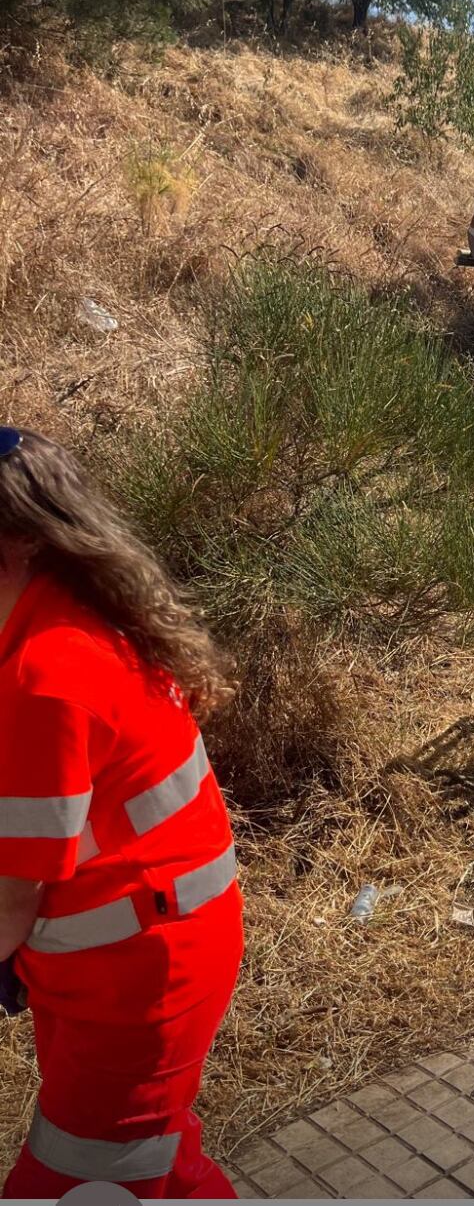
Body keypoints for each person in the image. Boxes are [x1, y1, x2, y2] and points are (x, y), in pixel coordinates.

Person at [0, 427, 243, 1199]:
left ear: (20, 544)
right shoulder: (71, 614)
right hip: (137, 953)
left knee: (74, 1180)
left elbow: (10, 897)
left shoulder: (47, 675)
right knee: (158, 1163)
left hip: (139, 978)